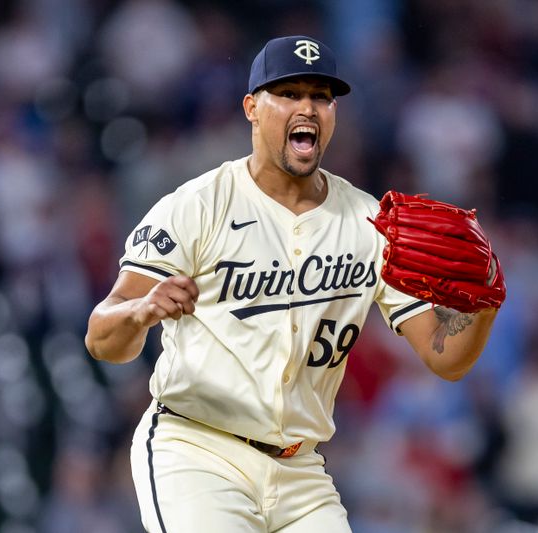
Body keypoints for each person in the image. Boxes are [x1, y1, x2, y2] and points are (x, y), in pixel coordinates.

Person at [85, 35, 500, 533]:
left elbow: (444, 356)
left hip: (300, 470)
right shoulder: (197, 206)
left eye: (321, 96)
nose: (307, 106)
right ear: (251, 109)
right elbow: (101, 338)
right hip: (196, 450)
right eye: (289, 93)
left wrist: (483, 304)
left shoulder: (372, 223)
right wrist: (141, 310)